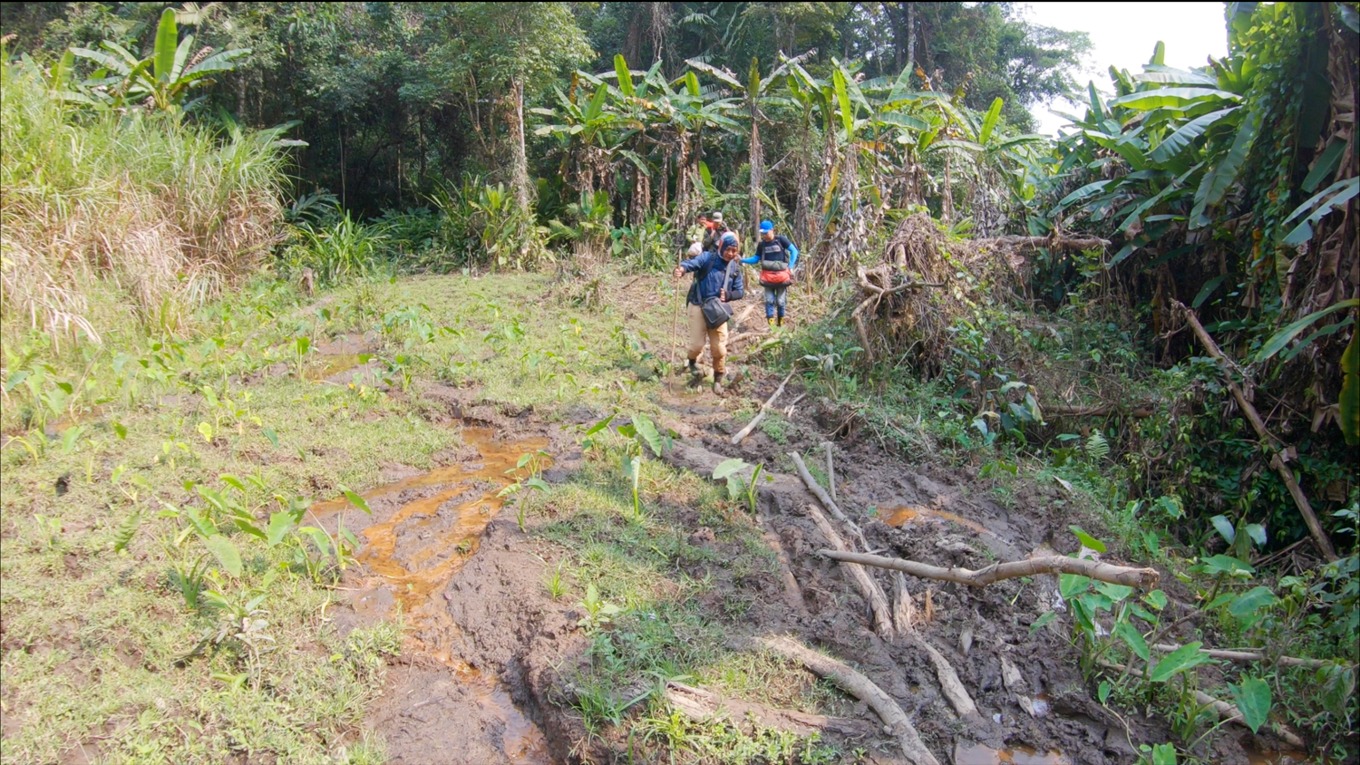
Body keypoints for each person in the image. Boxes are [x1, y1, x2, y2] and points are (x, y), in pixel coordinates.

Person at [674, 232, 744, 394]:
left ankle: (718, 378)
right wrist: (682, 269)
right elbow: (692, 263)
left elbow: (740, 291)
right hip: (698, 304)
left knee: (719, 348)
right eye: (728, 250)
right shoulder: (707, 258)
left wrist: (729, 295)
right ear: (721, 246)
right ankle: (692, 363)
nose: (731, 254)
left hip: (717, 310)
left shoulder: (734, 268)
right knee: (696, 345)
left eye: (734, 250)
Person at [740, 219, 799, 328]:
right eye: (762, 233)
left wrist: (790, 267)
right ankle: (772, 327)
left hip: (782, 277)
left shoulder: (781, 240)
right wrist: (742, 260)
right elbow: (756, 259)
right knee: (769, 301)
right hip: (768, 278)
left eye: (766, 233)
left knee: (781, 302)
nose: (764, 236)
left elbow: (794, 251)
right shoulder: (762, 245)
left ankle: (780, 324)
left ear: (772, 230)